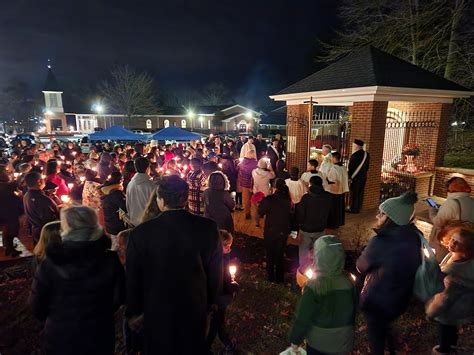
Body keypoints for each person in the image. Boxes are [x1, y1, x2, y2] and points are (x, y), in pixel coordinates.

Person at [126, 175, 223, 354]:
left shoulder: (140, 234)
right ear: (185, 199)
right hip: (193, 304)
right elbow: (215, 271)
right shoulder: (207, 228)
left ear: (160, 200)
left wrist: (134, 311)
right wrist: (212, 302)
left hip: (155, 307)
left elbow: (133, 277)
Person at [29, 206, 125, 355]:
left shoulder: (51, 263)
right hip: (99, 333)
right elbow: (119, 296)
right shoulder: (110, 260)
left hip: (61, 336)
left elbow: (38, 306)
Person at [356, 192, 421, 355]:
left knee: (376, 337)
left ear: (393, 218)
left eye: (382, 213)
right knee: (384, 326)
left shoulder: (381, 242)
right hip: (400, 298)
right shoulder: (414, 237)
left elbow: (360, 266)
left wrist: (367, 252)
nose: (378, 216)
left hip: (378, 300)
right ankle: (391, 349)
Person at [288, 235, 356, 355]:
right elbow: (354, 308)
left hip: (319, 344)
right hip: (344, 342)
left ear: (319, 257)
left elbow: (303, 318)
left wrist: (295, 340)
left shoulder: (313, 286)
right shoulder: (348, 283)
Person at [426, 222, 474, 355]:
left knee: (445, 328)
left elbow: (445, 297)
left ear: (466, 250)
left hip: (450, 308)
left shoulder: (453, 273)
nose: (452, 243)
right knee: (453, 327)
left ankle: (444, 350)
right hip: (461, 305)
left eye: (457, 243)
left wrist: (431, 312)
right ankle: (452, 346)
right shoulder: (462, 259)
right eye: (453, 239)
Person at [206, 230, 238, 354]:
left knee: (218, 321)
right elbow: (224, 282)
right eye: (227, 246)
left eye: (230, 245)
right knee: (216, 323)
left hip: (214, 298)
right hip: (219, 298)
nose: (229, 248)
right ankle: (206, 347)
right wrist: (234, 286)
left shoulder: (214, 257)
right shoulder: (220, 262)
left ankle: (227, 343)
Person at [429, 177, 474, 261]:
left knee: (440, 264)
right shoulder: (471, 201)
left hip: (448, 242)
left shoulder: (452, 203)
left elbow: (438, 222)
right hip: (464, 245)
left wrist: (432, 211)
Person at [258, 178, 292, 283]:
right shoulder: (288, 199)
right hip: (283, 230)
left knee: (270, 254)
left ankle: (270, 277)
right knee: (280, 254)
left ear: (274, 187)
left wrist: (258, 204)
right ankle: (279, 278)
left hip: (271, 230)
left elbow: (260, 212)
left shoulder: (270, 199)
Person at [296, 176, 331, 267]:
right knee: (318, 251)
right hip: (320, 229)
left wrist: (299, 224)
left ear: (310, 184)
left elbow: (300, 214)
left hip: (306, 230)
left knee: (303, 251)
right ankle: (317, 272)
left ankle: (303, 271)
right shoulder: (327, 196)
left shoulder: (306, 198)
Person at [23, 172, 59, 245]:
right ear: (39, 181)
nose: (44, 180)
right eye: (43, 179)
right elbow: (49, 219)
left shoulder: (27, 194)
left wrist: (47, 193)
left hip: (36, 230)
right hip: (46, 233)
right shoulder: (42, 200)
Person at [0, 167, 24, 257]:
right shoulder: (6, 186)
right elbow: (16, 185)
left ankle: (8, 247)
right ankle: (11, 250)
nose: (8, 173)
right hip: (9, 211)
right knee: (13, 230)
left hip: (4, 211)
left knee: (6, 230)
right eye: (5, 172)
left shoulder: (5, 185)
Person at [126, 157, 156, 226]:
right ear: (147, 169)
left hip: (134, 221)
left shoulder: (130, 184)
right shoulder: (151, 185)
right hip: (148, 222)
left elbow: (128, 205)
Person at [100, 171, 127, 242]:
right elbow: (125, 207)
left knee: (114, 241)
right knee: (118, 244)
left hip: (109, 221)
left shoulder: (106, 188)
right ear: (121, 180)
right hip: (116, 222)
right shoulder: (116, 193)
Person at [326, 152, 349, 229]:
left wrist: (326, 178)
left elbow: (331, 180)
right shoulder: (343, 167)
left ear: (334, 158)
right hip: (341, 191)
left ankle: (332, 224)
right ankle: (339, 222)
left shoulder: (334, 168)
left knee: (333, 208)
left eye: (331, 158)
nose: (331, 159)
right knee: (339, 207)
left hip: (334, 191)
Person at [347, 139, 370, 213]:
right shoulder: (367, 154)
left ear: (357, 146)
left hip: (355, 178)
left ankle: (353, 209)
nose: (353, 146)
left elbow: (351, 167)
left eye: (354, 145)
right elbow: (367, 167)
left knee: (354, 193)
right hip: (363, 177)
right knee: (360, 193)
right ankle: (358, 208)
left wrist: (350, 177)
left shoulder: (355, 155)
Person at [238, 149, 258, 219]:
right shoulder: (255, 163)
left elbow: (238, 168)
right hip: (254, 183)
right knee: (256, 199)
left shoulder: (242, 162)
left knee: (246, 200)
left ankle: (247, 214)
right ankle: (258, 214)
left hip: (244, 183)